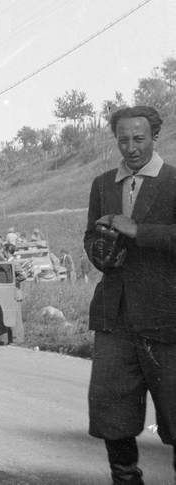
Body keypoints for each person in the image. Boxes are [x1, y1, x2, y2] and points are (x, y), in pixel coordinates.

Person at [85, 105, 176, 485]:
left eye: (139, 138)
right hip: (115, 317)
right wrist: (100, 250)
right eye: (123, 140)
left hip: (166, 317)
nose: (131, 147)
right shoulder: (103, 184)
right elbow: (91, 236)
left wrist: (138, 230)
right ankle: (125, 479)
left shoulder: (173, 181)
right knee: (112, 412)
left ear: (155, 136)